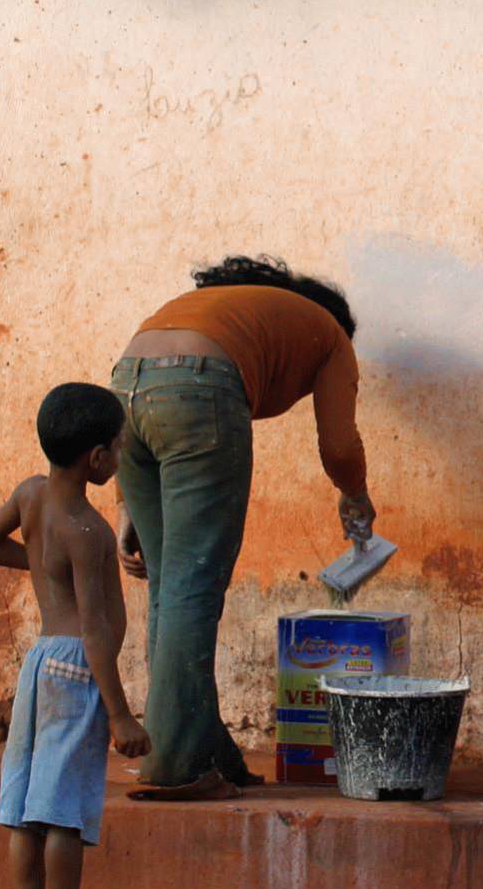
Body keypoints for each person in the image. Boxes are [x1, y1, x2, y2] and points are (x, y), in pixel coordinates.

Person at [112, 255, 375, 801]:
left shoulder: (232, 310)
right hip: (200, 391)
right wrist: (356, 496)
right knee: (192, 587)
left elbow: (147, 387)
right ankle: (178, 766)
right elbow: (340, 445)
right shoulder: (330, 337)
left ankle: (206, 751)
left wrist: (125, 508)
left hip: (125, 390)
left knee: (168, 586)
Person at [0, 383, 153, 889]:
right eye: (118, 449)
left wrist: (45, 571)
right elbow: (97, 632)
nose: (119, 458)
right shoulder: (89, 531)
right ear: (96, 459)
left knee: (26, 810)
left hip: (39, 663)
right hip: (76, 669)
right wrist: (120, 714)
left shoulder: (30, 496)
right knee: (64, 812)